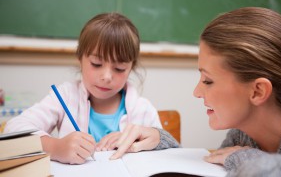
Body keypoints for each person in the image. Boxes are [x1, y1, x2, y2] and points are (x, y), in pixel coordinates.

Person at [108, 7, 281, 176]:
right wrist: (160, 141)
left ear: (257, 91)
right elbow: (211, 164)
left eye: (208, 80)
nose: (197, 92)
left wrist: (245, 159)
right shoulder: (243, 135)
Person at [4, 12, 163, 164]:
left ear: (131, 68)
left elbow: (169, 153)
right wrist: (55, 148)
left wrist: (156, 138)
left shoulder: (143, 109)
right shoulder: (65, 96)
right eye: (96, 64)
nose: (107, 76)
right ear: (80, 58)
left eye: (119, 68)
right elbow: (12, 130)